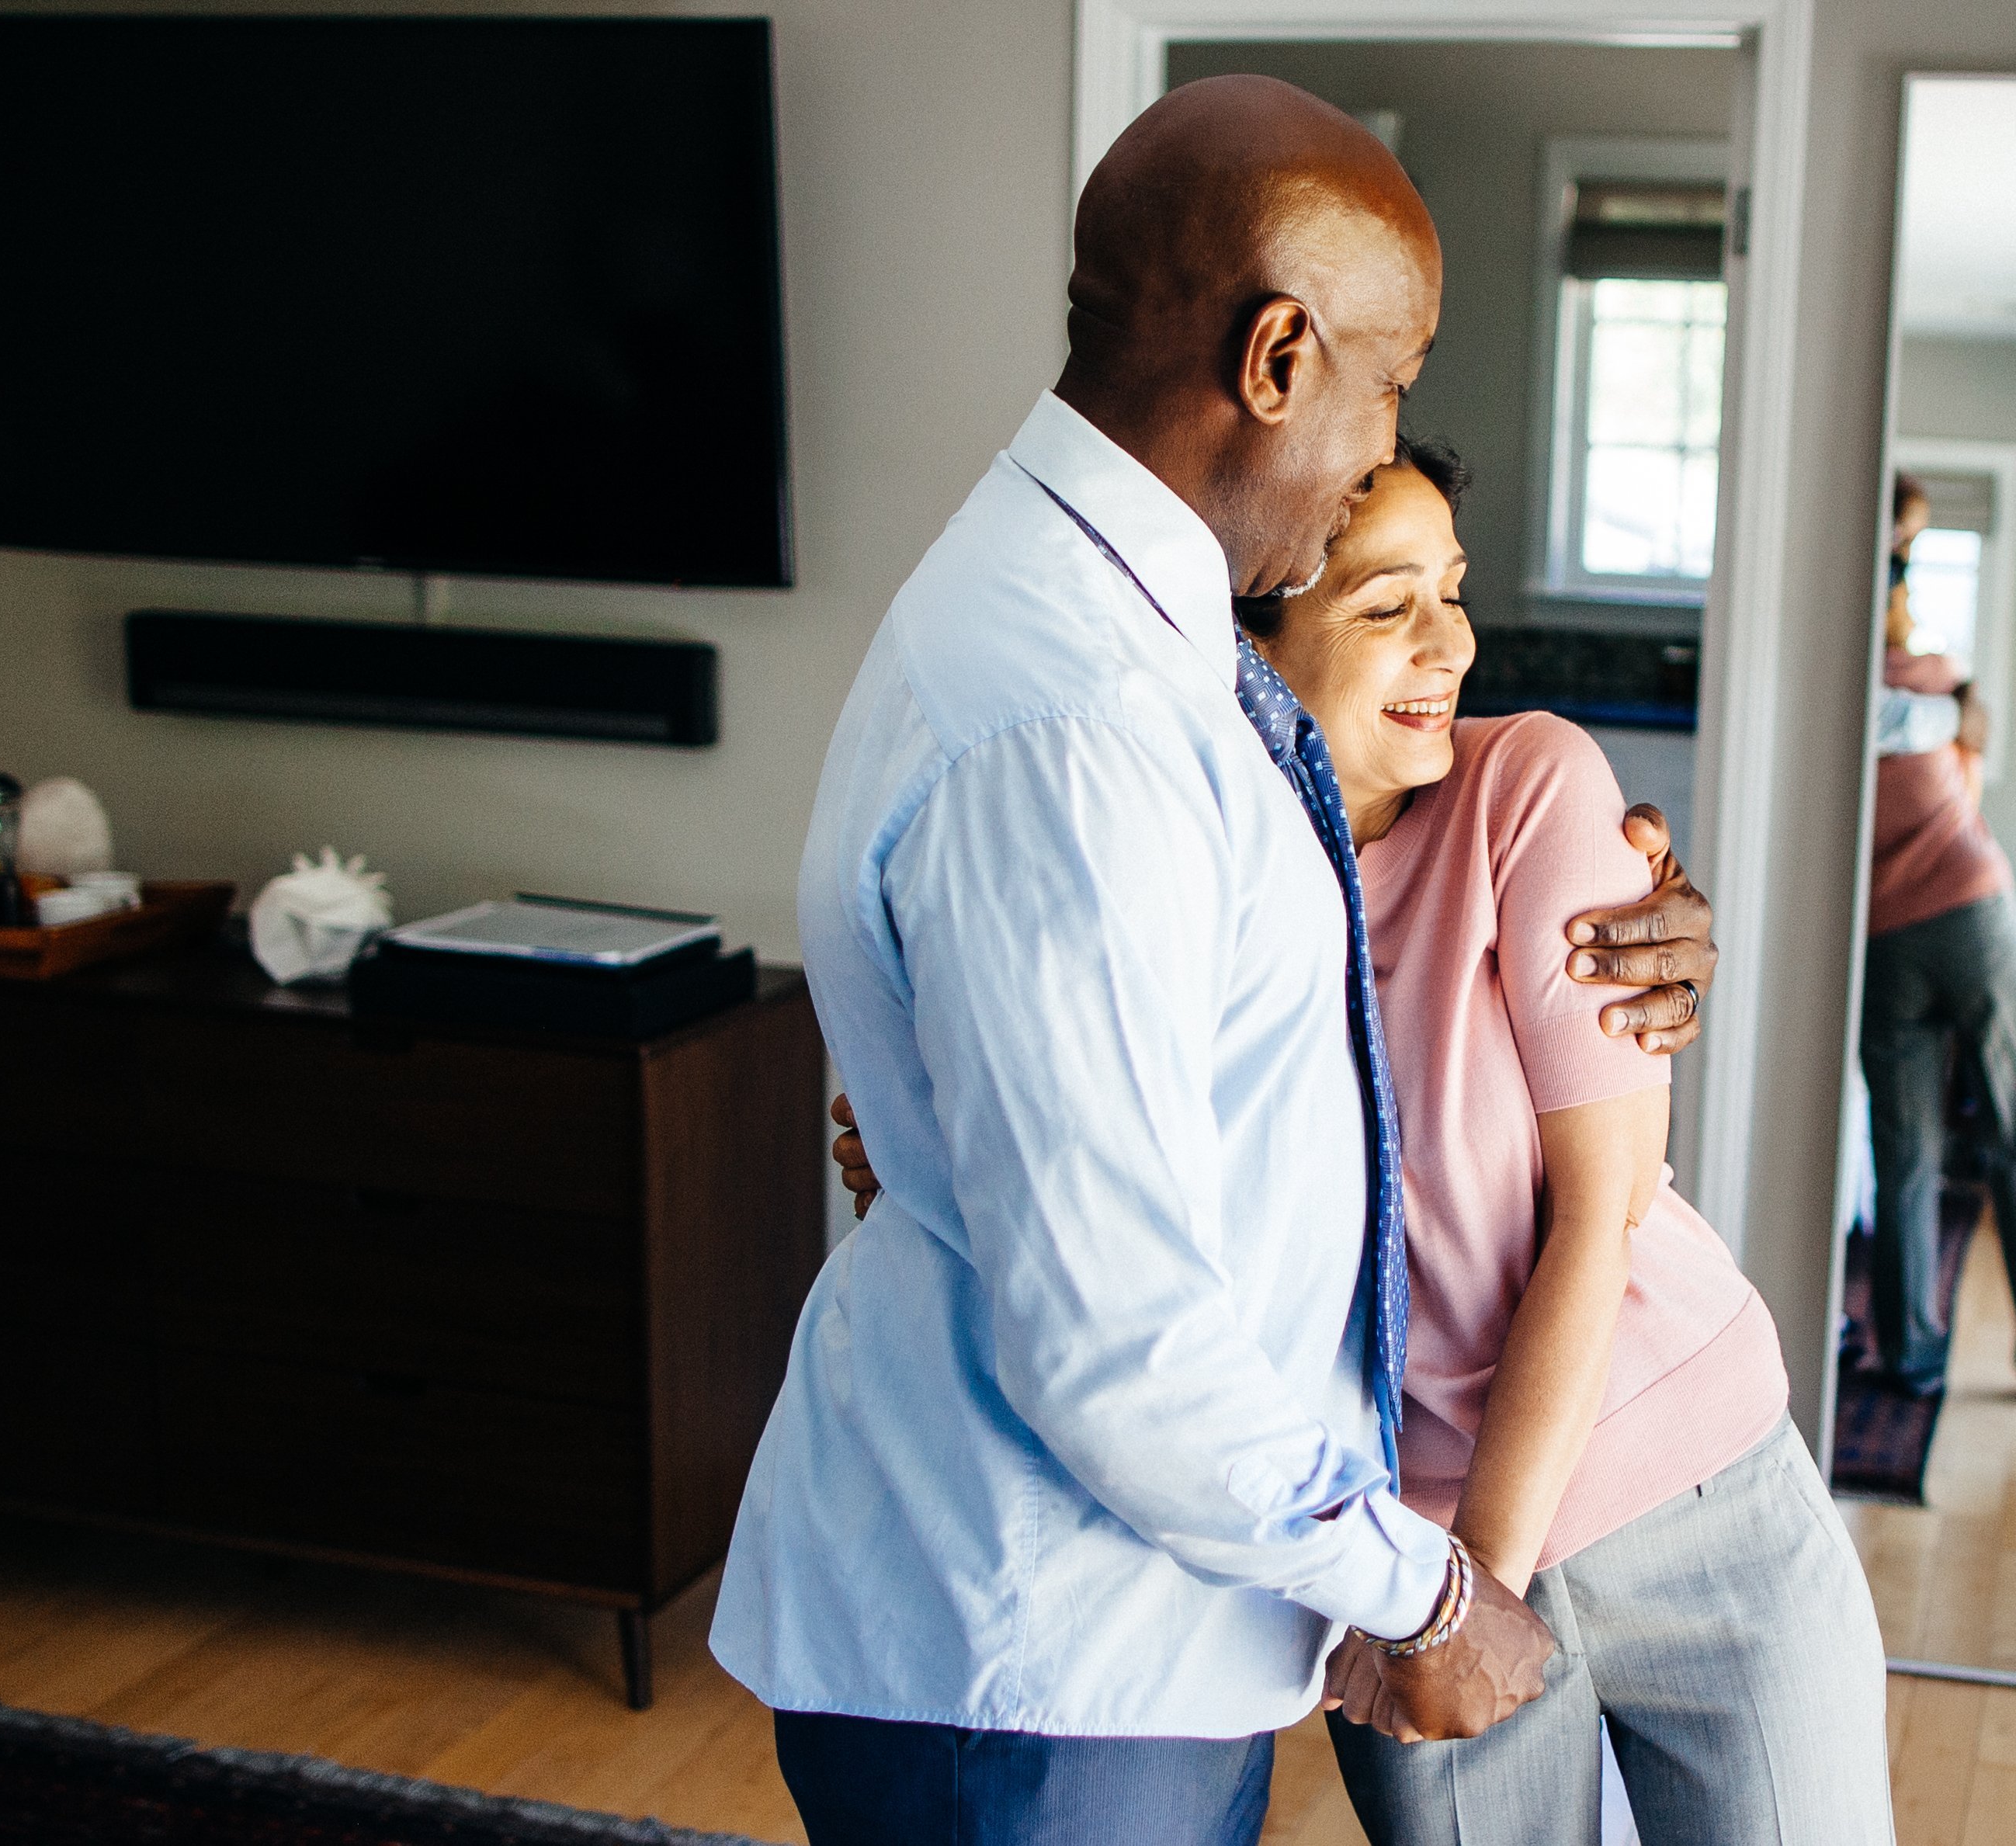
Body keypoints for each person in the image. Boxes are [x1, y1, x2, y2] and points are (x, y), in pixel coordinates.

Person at [710, 77, 1714, 1846]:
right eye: (1383, 386)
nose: (1370, 456)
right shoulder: (1078, 716)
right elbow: (1113, 1329)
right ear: (1275, 358)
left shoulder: (1089, 615)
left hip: (1099, 1628)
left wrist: (1602, 898)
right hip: (1038, 1656)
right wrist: (1420, 1588)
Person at [831, 444, 1892, 1844]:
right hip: (1387, 1543)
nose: (1448, 642)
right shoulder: (1176, 869)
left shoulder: (1528, 785)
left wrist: (1469, 1595)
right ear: (1249, 638)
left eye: (1451, 593)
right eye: (1388, 604)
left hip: (1683, 1491)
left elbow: (1601, 1213)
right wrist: (944, 1132)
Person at [1861, 470, 2016, 1394]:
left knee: (1906, 1155)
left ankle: (1912, 1357)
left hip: (1885, 934)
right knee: (2007, 1122)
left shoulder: (1838, 692)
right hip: (1966, 910)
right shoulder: (1933, 677)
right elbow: (1974, 773)